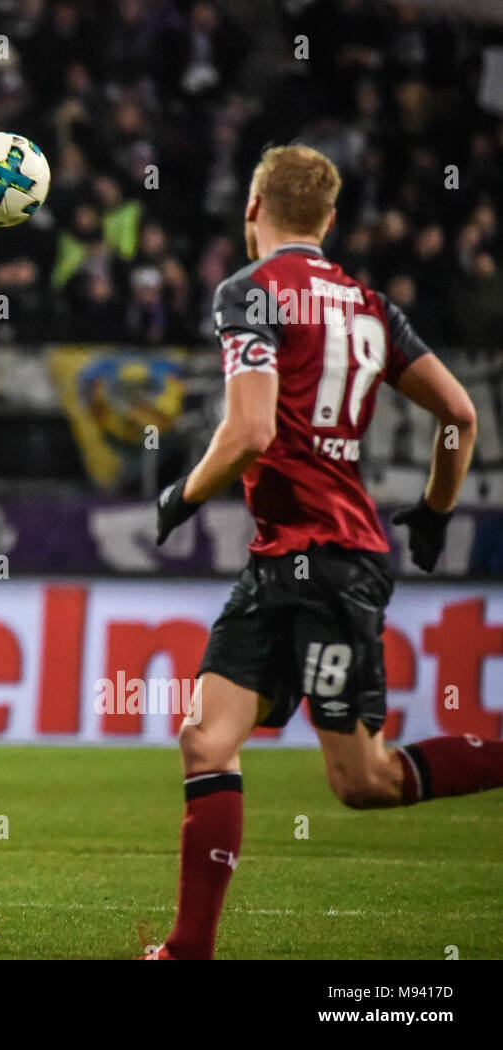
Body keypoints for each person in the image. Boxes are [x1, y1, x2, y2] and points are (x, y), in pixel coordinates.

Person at [148, 144, 500, 960]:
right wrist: (438, 510)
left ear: (252, 208)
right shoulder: (370, 304)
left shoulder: (250, 292)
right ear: (330, 219)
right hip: (286, 559)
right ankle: (186, 951)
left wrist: (184, 496)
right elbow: (460, 415)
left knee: (362, 781)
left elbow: (250, 431)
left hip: (332, 559)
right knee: (205, 737)